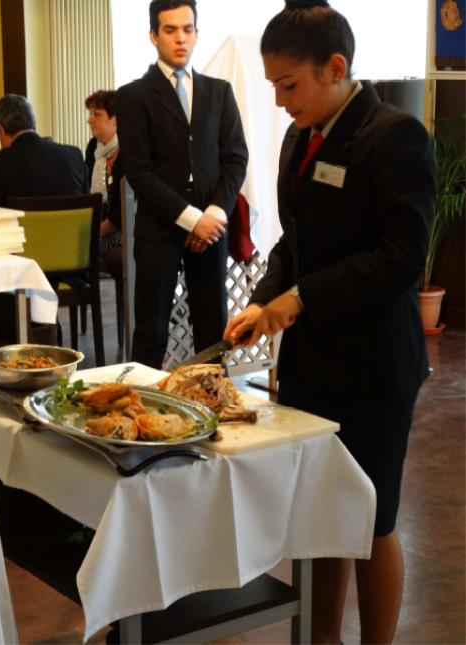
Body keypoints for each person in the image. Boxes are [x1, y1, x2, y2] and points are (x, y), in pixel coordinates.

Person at [224, 1, 437, 643]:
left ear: (336, 67)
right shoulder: (298, 137)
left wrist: (303, 299)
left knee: (370, 521)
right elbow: (295, 241)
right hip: (312, 365)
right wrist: (264, 300)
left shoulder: (394, 136)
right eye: (274, 88)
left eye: (289, 85)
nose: (282, 101)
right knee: (317, 519)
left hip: (375, 367)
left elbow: (400, 260)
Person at [116, 0, 248, 369]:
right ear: (153, 36)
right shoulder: (133, 95)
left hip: (212, 225)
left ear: (197, 33)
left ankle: (215, 409)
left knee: (212, 329)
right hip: (159, 227)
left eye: (187, 29)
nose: (180, 39)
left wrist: (215, 214)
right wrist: (192, 219)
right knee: (151, 333)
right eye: (170, 30)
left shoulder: (219, 92)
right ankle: (142, 414)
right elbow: (139, 172)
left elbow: (236, 158)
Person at [0, 93, 88, 206]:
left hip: (23, 224)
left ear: (0, 129)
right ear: (33, 122)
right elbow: (87, 210)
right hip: (70, 224)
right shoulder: (74, 156)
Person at [85, 89, 123, 284]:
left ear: (115, 120)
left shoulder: (129, 150)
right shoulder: (93, 148)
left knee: (95, 251)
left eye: (96, 114)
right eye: (90, 114)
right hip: (103, 228)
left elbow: (122, 212)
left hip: (126, 230)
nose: (89, 120)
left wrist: (92, 232)